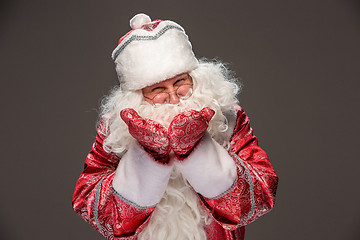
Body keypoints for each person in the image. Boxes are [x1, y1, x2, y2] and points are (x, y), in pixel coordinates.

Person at [72, 13, 278, 240]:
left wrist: (198, 150)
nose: (173, 97)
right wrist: (147, 158)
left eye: (180, 81)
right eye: (157, 89)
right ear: (138, 96)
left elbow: (261, 195)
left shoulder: (227, 116)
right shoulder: (116, 129)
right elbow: (93, 208)